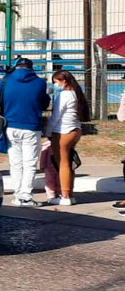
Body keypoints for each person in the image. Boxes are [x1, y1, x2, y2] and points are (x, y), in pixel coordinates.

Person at [0, 58, 50, 207]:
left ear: (16, 67)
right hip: (32, 126)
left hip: (10, 124)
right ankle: (26, 196)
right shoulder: (40, 82)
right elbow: (44, 103)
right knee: (30, 163)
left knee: (15, 163)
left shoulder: (6, 81)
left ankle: (18, 195)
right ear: (31, 67)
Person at [45, 70, 90, 206]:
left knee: (63, 164)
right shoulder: (76, 93)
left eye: (56, 82)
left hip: (63, 131)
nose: (55, 85)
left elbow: (55, 117)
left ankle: (65, 196)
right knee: (69, 163)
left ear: (63, 81)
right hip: (75, 130)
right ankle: (69, 193)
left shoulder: (64, 95)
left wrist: (48, 132)